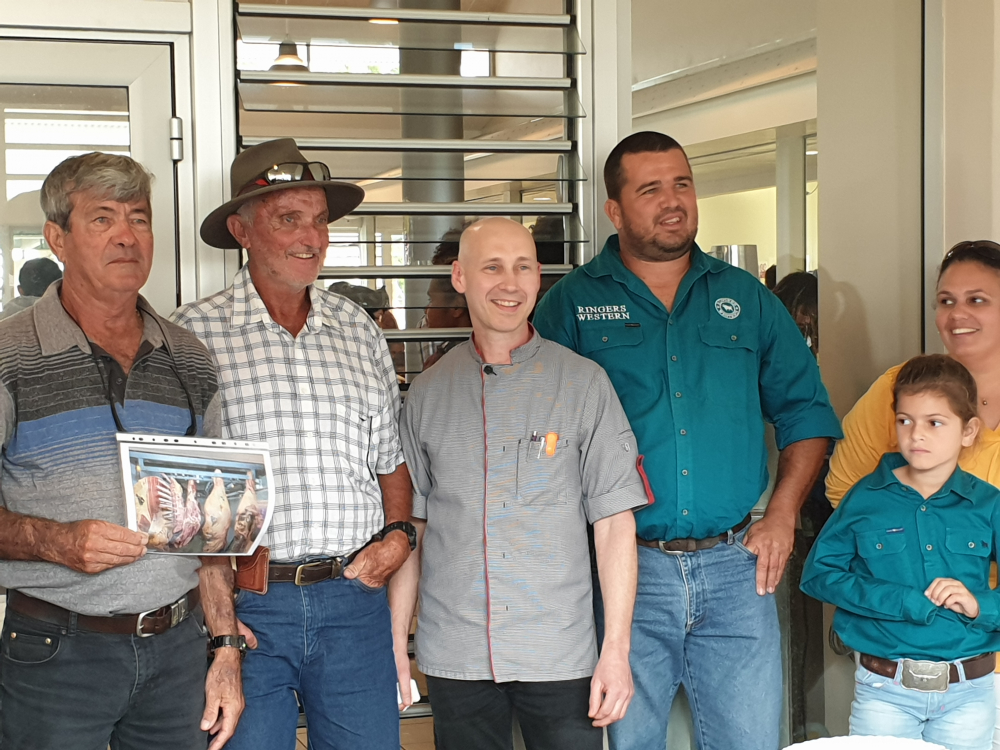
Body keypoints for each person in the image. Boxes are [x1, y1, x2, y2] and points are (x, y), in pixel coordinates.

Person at [532, 131, 842, 750]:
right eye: (650, 189)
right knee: (624, 743)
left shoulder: (746, 298)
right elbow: (538, 437)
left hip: (738, 571)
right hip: (623, 573)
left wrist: (781, 516)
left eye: (682, 183)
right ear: (614, 210)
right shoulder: (571, 304)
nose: (672, 200)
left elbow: (808, 412)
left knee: (750, 741)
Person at [172, 138, 415, 750]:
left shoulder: (356, 328)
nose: (313, 236)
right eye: (289, 219)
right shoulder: (191, 335)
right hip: (250, 609)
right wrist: (223, 631)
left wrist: (397, 537)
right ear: (241, 230)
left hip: (352, 599)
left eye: (320, 220)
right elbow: (184, 501)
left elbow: (391, 461)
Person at [0, 152, 243, 750]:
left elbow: (213, 533)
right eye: (102, 219)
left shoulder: (189, 356)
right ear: (58, 237)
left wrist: (225, 648)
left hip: (177, 652)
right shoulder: (9, 354)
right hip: (56, 653)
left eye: (139, 217)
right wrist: (53, 541)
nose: (127, 236)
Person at [390, 217, 646, 750]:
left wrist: (615, 651)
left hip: (559, 652)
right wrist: (398, 642)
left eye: (523, 267)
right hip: (456, 653)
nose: (511, 283)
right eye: (493, 267)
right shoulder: (428, 393)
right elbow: (411, 527)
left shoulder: (583, 384)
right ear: (459, 277)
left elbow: (614, 523)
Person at [826, 239, 1000, 749]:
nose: (957, 314)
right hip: (904, 663)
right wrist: (900, 576)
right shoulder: (898, 388)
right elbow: (844, 490)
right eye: (946, 300)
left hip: (983, 664)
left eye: (978, 299)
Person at [802, 354, 1000, 750]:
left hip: (970, 694)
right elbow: (819, 575)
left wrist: (980, 605)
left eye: (934, 422)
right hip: (884, 692)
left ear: (969, 430)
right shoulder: (865, 498)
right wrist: (900, 600)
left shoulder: (988, 503)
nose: (916, 434)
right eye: (904, 420)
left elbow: (984, 605)